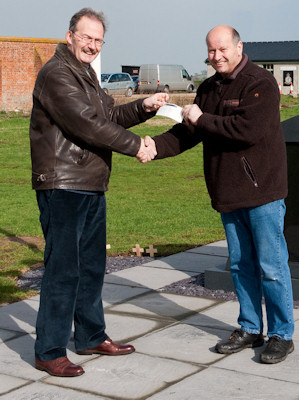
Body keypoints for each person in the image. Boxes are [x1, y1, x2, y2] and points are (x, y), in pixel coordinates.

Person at [29, 8, 167, 377]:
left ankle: (90, 335)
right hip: (62, 183)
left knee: (91, 267)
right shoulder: (56, 74)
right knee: (64, 269)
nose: (91, 45)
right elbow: (87, 126)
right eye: (86, 37)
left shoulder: (86, 74)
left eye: (98, 40)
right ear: (70, 35)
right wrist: (138, 146)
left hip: (90, 183)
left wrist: (143, 107)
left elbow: (109, 117)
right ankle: (50, 349)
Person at [147, 25, 295, 364]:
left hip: (262, 192)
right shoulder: (209, 87)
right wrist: (152, 147)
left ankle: (281, 334)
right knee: (241, 265)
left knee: (271, 266)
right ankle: (250, 327)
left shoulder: (260, 83)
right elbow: (187, 133)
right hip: (228, 192)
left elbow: (247, 130)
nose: (216, 57)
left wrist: (203, 119)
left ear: (239, 46)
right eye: (211, 51)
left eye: (222, 49)